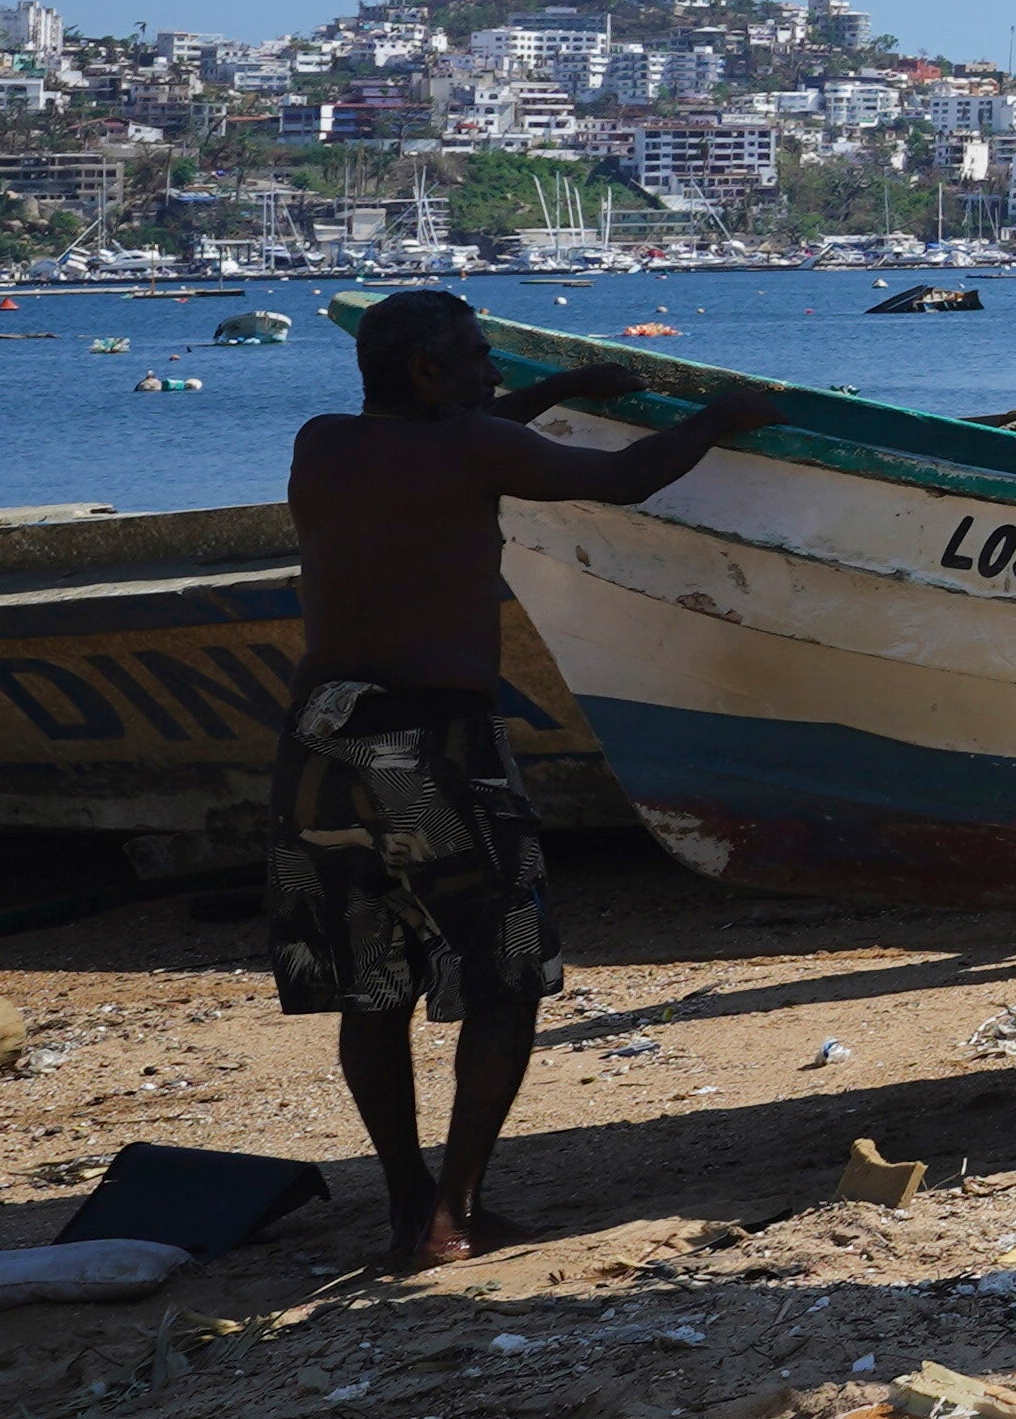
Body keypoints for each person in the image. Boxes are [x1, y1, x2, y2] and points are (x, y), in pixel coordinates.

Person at [281, 290, 775, 1269]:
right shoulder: (473, 450)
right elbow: (627, 478)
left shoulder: (325, 443)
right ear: (427, 374)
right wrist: (726, 414)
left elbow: (460, 433)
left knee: (370, 982)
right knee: (503, 972)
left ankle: (406, 1205)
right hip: (434, 738)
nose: (492, 374)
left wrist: (565, 387)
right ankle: (454, 1212)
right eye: (474, 357)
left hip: (321, 739)